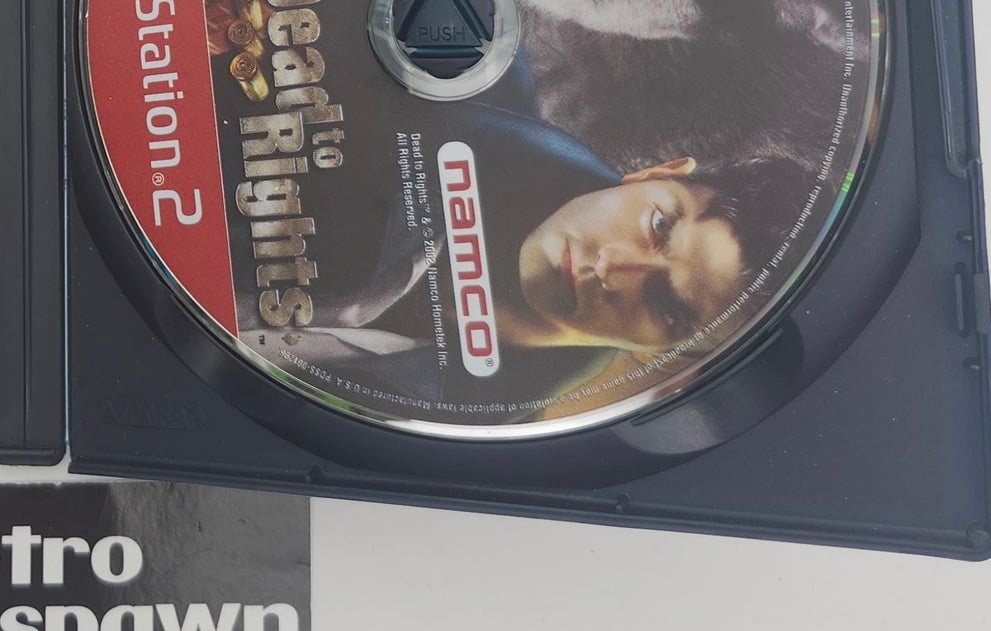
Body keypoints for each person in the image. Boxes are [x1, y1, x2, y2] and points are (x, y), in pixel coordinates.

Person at [281, 102, 805, 419]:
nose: (613, 267)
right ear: (654, 173)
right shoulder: (450, 110)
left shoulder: (492, 420)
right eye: (659, 226)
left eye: (667, 306)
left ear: (670, 355)